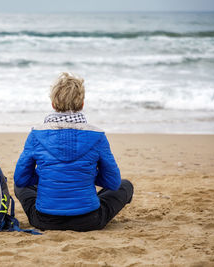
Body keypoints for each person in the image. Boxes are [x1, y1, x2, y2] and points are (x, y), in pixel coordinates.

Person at [13, 72, 133, 231]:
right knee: (125, 185)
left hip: (44, 220)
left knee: (20, 186)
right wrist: (85, 175)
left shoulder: (36, 135)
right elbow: (113, 182)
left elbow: (21, 180)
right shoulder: (97, 136)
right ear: (82, 104)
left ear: (53, 104)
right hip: (89, 220)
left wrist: (48, 175)